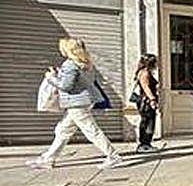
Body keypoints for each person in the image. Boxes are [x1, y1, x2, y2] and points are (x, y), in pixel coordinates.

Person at [27, 38, 122, 169]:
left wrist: (51, 78)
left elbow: (66, 86)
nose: (61, 50)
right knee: (63, 130)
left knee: (91, 131)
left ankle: (113, 156)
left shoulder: (70, 64)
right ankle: (48, 159)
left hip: (76, 103)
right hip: (83, 101)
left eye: (63, 47)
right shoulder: (86, 63)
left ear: (69, 50)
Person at [131, 53, 159, 153]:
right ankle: (144, 144)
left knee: (147, 121)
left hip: (145, 100)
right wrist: (152, 99)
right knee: (148, 122)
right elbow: (145, 87)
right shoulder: (145, 73)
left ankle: (146, 143)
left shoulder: (142, 72)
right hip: (146, 101)